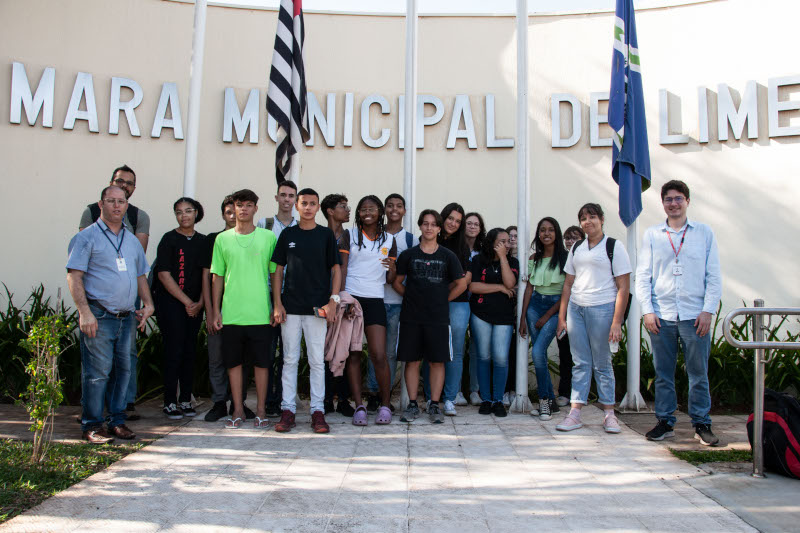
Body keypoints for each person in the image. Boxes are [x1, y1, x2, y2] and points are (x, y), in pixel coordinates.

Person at [637, 180, 722, 446]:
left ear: (687, 201)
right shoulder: (653, 235)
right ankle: (665, 421)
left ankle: (701, 423)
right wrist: (647, 311)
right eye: (668, 199)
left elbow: (714, 276)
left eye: (678, 198)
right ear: (662, 203)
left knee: (698, 373)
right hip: (661, 315)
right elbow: (643, 277)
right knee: (663, 373)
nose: (673, 203)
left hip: (694, 316)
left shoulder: (703, 233)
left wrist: (708, 311)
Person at [67, 185, 154, 443]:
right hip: (99, 315)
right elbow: (74, 276)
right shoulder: (86, 237)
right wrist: (85, 312)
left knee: (123, 372)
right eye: (111, 201)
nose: (117, 206)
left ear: (127, 205)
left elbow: (140, 275)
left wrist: (148, 303)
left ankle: (117, 422)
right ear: (101, 204)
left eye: (121, 201)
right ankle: (92, 426)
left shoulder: (131, 240)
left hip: (127, 317)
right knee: (97, 374)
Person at [555, 203, 631, 433]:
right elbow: (568, 283)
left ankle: (609, 414)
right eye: (583, 218)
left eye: (592, 217)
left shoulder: (614, 247)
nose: (588, 221)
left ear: (602, 219)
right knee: (580, 362)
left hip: (602, 309)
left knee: (602, 363)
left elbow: (623, 287)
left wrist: (617, 321)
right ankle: (575, 412)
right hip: (577, 309)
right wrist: (562, 316)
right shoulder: (577, 247)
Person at [272, 188, 342, 434]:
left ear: (318, 206)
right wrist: (277, 304)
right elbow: (277, 270)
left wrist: (333, 301)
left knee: (316, 361)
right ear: (297, 206)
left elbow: (336, 269)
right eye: (304, 203)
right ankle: (288, 410)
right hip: (290, 308)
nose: (308, 207)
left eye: (313, 203)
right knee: (289, 359)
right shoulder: (287, 235)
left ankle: (317, 412)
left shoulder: (325, 235)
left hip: (317, 309)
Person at [210, 189, 278, 429]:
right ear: (234, 208)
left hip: (260, 312)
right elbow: (217, 276)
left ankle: (260, 410)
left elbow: (275, 274)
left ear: (256, 209)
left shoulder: (268, 237)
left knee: (262, 364)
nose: (244, 209)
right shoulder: (222, 239)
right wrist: (216, 311)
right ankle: (237, 408)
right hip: (231, 314)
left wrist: (276, 305)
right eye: (240, 205)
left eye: (249, 205)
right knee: (233, 364)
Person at [395, 210, 466, 424]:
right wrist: (412, 298)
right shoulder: (408, 254)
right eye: (425, 223)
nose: (428, 227)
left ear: (439, 228)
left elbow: (461, 284)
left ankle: (434, 405)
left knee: (437, 361)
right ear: (420, 226)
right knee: (413, 361)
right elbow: (396, 282)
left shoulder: (447, 255)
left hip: (438, 318)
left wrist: (443, 299)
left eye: (433, 224)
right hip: (411, 317)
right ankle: (413, 405)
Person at [338, 195, 397, 425]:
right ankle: (359, 406)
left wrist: (393, 267)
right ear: (358, 213)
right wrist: (343, 298)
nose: (367, 212)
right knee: (353, 354)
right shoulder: (348, 235)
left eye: (371, 208)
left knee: (379, 355)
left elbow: (390, 278)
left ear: (380, 212)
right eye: (363, 209)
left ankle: (384, 404)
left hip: (375, 299)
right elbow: (342, 269)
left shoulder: (389, 239)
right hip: (353, 297)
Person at [202, 196, 255, 422]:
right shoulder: (215, 240)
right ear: (225, 213)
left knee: (242, 359)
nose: (234, 215)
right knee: (216, 357)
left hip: (244, 312)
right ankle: (219, 402)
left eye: (238, 210)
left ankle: (238, 402)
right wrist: (211, 310)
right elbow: (209, 277)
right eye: (229, 211)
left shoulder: (253, 237)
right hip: (219, 309)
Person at [153, 198, 206, 419]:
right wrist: (187, 302)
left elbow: (208, 274)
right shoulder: (169, 239)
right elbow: (164, 274)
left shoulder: (203, 241)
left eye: (188, 211)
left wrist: (201, 302)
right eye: (178, 212)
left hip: (196, 306)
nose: (183, 215)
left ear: (196, 213)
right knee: (173, 352)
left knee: (189, 352)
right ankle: (169, 402)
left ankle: (185, 399)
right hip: (172, 305)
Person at [365, 193, 418, 413]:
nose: (394, 209)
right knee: (374, 351)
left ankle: (385, 393)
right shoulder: (374, 234)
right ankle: (373, 394)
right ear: (384, 210)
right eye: (390, 206)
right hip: (374, 297)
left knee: (389, 352)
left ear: (404, 211)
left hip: (397, 301)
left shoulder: (410, 239)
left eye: (399, 206)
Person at [519, 217, 568, 420]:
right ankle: (551, 403)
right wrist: (522, 317)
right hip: (534, 306)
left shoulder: (566, 258)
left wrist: (548, 315)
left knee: (538, 352)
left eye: (550, 230)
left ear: (556, 233)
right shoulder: (534, 259)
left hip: (556, 307)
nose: (546, 234)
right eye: (542, 230)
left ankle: (544, 402)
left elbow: (567, 291)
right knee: (540, 355)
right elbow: (529, 288)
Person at [468, 228, 520, 417]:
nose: (508, 244)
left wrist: (503, 258)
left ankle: (498, 399)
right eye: (503, 241)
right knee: (483, 356)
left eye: (508, 241)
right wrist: (497, 287)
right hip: (481, 314)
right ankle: (486, 399)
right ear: (492, 243)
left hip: (504, 317)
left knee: (500, 358)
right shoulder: (478, 261)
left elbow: (510, 283)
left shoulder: (513, 262)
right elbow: (473, 286)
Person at [257, 180, 298, 417]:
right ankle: (269, 399)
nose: (286, 199)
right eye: (283, 195)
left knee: (288, 352)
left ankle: (284, 398)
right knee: (268, 350)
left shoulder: (300, 226)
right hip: (267, 294)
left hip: (291, 296)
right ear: (276, 198)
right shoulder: (265, 224)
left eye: (291, 196)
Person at [320, 193, 354, 416]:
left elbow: (346, 268)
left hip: (342, 299)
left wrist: (343, 298)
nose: (348, 210)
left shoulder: (348, 235)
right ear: (331, 211)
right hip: (320, 299)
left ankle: (343, 399)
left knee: (342, 349)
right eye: (343, 206)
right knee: (323, 351)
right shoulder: (320, 234)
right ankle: (324, 400)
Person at [438, 203, 472, 414]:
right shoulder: (430, 239)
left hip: (458, 303)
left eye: (458, 221)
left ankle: (450, 398)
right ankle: (434, 397)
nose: (453, 223)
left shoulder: (463, 246)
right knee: (432, 350)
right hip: (432, 304)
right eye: (450, 218)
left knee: (455, 352)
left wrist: (445, 295)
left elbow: (465, 278)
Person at [554, 225, 585, 407]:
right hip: (565, 312)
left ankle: (581, 393)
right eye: (567, 238)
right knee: (565, 354)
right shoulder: (562, 259)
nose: (570, 241)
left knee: (582, 357)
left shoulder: (588, 257)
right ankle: (565, 393)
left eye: (575, 237)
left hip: (585, 311)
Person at [463, 212, 486, 405]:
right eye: (468, 223)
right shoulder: (457, 248)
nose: (472, 227)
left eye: (476, 224)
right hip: (458, 300)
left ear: (480, 228)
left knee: (477, 348)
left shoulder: (484, 250)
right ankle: (454, 390)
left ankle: (475, 390)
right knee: (456, 348)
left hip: (479, 302)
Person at [503, 225, 519, 406]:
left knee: (516, 352)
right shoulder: (503, 260)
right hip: (505, 311)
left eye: (516, 236)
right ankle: (505, 389)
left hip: (519, 313)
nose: (513, 239)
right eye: (510, 237)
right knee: (503, 353)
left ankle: (515, 388)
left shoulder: (525, 259)